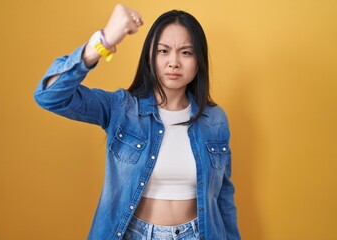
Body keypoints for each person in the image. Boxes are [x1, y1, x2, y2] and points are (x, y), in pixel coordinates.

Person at [34, 4, 241, 240]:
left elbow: (223, 196)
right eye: (163, 51)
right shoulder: (121, 108)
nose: (174, 62)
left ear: (198, 60)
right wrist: (102, 42)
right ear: (149, 57)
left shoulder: (215, 119)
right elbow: (49, 96)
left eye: (186, 52)